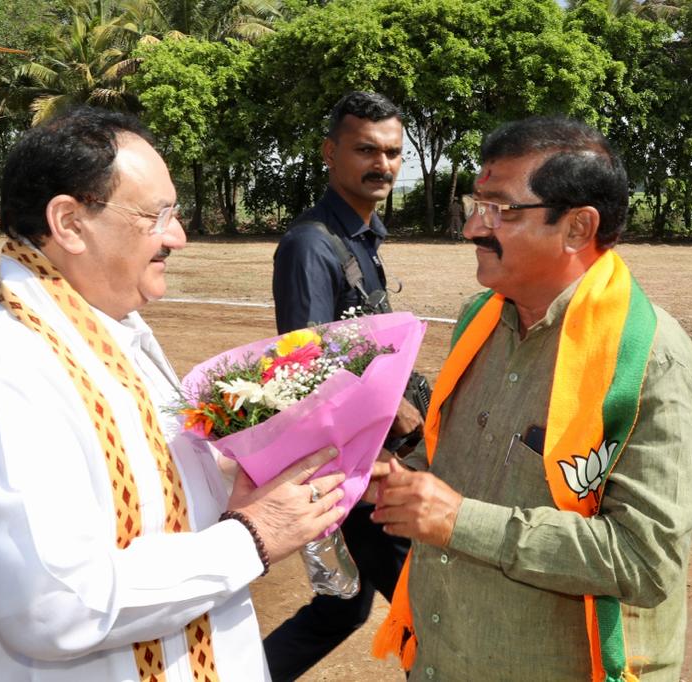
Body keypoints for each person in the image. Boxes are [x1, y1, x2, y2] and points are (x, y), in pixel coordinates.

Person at [0, 106, 348, 682]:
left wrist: (231, 471)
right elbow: (55, 605)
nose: (178, 238)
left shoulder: (111, 331)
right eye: (156, 215)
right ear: (69, 223)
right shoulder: (5, 373)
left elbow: (141, 487)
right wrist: (252, 538)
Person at [369, 116, 692, 681]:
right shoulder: (479, 319)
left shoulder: (650, 362)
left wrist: (460, 521)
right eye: (475, 204)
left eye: (500, 210)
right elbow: (450, 463)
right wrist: (390, 475)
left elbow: (646, 561)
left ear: (578, 227)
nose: (472, 229)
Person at [266, 91, 422, 681]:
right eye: (365, 149)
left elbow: (356, 343)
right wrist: (387, 418)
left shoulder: (362, 236)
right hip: (359, 462)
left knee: (340, 608)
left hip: (369, 452)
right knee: (426, 611)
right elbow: (304, 365)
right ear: (330, 153)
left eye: (392, 152)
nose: (382, 163)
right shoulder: (311, 243)